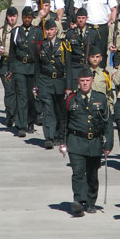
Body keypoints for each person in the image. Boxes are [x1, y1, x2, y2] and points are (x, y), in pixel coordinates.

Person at [60, 67, 112, 216]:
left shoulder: (101, 98)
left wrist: (108, 144)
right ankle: (78, 201)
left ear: (92, 81)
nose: (84, 84)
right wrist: (63, 142)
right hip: (76, 141)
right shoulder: (71, 99)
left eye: (87, 81)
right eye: (82, 81)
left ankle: (90, 202)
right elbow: (64, 122)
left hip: (94, 141)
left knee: (92, 174)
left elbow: (108, 122)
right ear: (78, 82)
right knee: (77, 172)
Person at [36, 18, 72, 148]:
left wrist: (68, 87)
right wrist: (37, 85)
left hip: (60, 81)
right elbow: (37, 66)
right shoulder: (41, 45)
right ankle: (49, 137)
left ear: (56, 30)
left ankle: (60, 136)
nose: (49, 32)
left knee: (60, 111)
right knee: (48, 110)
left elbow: (68, 67)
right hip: (45, 81)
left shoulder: (64, 45)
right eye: (47, 29)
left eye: (51, 29)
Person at [73, 0, 118, 66]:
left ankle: (101, 75)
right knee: (86, 52)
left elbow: (113, 8)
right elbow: (77, 9)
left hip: (102, 28)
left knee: (101, 53)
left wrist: (112, 22)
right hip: (88, 26)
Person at [6, 6, 40, 137]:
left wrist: (39, 71)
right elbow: (12, 52)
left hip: (32, 67)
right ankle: (21, 125)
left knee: (31, 97)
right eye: (25, 17)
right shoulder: (16, 32)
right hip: (19, 66)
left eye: (29, 17)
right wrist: (10, 70)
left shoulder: (37, 32)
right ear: (22, 18)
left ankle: (31, 121)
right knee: (22, 97)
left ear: (32, 18)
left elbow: (38, 54)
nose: (27, 20)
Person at [0, 6, 19, 127]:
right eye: (10, 16)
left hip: (18, 64)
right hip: (5, 63)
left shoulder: (20, 31)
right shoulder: (1, 31)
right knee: (9, 90)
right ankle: (10, 115)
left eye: (14, 16)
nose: (12, 19)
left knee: (19, 90)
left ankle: (18, 114)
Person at [65, 8, 103, 87]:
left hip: (89, 66)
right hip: (75, 67)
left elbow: (98, 52)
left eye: (83, 18)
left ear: (87, 18)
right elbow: (68, 56)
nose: (81, 20)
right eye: (79, 18)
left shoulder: (93, 33)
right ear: (76, 18)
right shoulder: (70, 34)